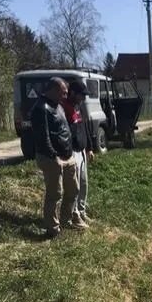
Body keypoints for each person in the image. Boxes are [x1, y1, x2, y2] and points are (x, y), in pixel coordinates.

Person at [31, 77, 87, 237]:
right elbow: (43, 137)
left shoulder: (59, 106)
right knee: (55, 194)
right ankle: (52, 228)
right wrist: (53, 156)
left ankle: (66, 219)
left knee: (73, 190)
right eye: (63, 93)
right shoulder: (41, 109)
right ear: (53, 90)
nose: (65, 96)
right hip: (51, 158)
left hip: (67, 156)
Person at [62, 80, 93, 225]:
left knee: (84, 183)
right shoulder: (64, 109)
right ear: (73, 93)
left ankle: (81, 211)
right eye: (81, 95)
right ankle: (73, 216)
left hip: (82, 151)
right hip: (72, 152)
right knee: (75, 186)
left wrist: (89, 148)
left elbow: (84, 128)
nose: (83, 98)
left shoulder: (78, 107)